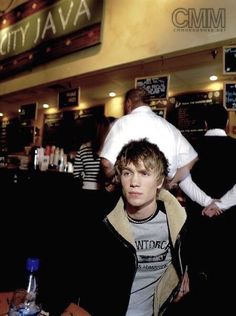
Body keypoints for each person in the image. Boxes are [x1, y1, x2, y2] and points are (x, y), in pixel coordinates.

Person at [59, 138, 189, 316]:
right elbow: (72, 274)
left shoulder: (177, 222)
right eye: (128, 173)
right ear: (120, 178)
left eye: (144, 173)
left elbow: (196, 260)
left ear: (159, 181)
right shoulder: (100, 224)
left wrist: (184, 277)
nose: (134, 182)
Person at [183, 104, 236, 315]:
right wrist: (221, 205)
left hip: (199, 221)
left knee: (199, 279)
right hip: (230, 222)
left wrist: (207, 202)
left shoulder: (191, 147)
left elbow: (183, 180)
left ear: (204, 124)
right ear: (227, 123)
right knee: (228, 277)